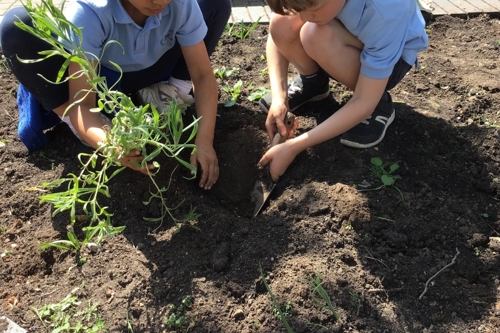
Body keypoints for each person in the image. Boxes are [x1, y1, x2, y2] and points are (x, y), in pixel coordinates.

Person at [0, 0, 231, 190]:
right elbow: (81, 103)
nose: (159, 1)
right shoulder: (90, 12)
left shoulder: (179, 3)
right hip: (100, 80)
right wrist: (110, 144)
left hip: (150, 67)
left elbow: (202, 76)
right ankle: (92, 127)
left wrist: (204, 140)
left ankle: (168, 92)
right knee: (15, 25)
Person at [258, 0, 428, 181]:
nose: (305, 17)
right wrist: (279, 97)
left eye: (313, 10)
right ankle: (313, 84)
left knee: (314, 35)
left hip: (392, 59)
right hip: (346, 31)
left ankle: (379, 102)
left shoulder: (388, 11)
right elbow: (277, 32)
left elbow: (364, 101)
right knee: (284, 22)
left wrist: (293, 147)